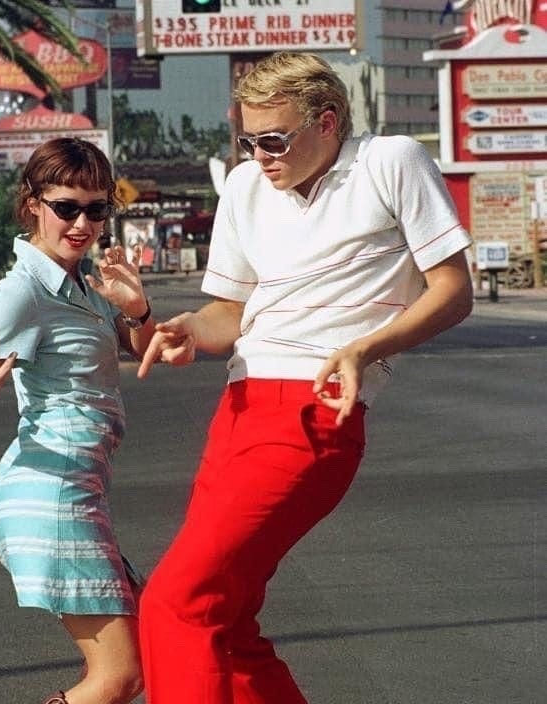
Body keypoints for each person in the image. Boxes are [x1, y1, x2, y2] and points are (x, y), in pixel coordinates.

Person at [136, 51, 474, 703]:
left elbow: (454, 291)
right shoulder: (243, 187)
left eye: (273, 139)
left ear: (327, 122)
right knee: (226, 622)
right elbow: (229, 314)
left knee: (178, 604)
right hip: (236, 412)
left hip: (312, 413)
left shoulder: (390, 162)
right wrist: (184, 330)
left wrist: (367, 348)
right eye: (247, 139)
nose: (260, 155)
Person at [0, 137, 155, 704]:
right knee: (121, 676)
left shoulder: (83, 286)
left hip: (78, 494)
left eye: (96, 208)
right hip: (49, 497)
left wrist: (136, 309)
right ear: (33, 202)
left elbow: (142, 349)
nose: (82, 222)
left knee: (156, 649)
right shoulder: (21, 292)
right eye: (67, 207)